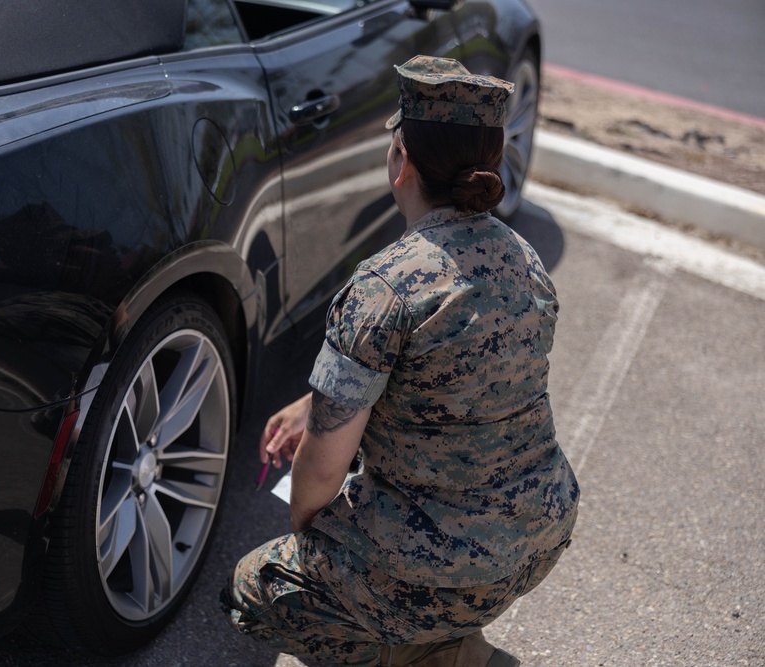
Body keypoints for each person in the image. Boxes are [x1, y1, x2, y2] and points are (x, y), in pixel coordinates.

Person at [220, 56, 579, 667]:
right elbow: (456, 372)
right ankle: (450, 640)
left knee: (254, 587)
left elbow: (316, 481)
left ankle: (425, 653)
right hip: (538, 538)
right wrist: (318, 401)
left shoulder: (384, 287)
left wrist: (316, 539)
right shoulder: (524, 258)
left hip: (436, 570)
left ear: (400, 160)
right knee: (416, 574)